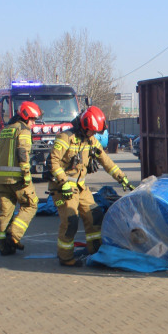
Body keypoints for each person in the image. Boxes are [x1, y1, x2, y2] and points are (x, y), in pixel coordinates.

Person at [49, 106, 134, 266]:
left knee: (94, 216)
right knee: (70, 221)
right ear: (84, 126)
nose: (94, 135)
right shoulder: (65, 138)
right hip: (62, 190)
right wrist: (63, 182)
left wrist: (122, 178)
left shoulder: (91, 141)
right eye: (92, 131)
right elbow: (53, 162)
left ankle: (95, 251)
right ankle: (65, 257)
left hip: (80, 188)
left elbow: (106, 161)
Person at [0, 101, 41, 255]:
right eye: (33, 120)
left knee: (5, 213)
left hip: (1, 180)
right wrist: (26, 175)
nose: (33, 123)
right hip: (18, 179)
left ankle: (4, 248)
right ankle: (13, 235)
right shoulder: (24, 131)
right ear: (26, 118)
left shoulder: (6, 130)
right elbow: (22, 153)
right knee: (31, 205)